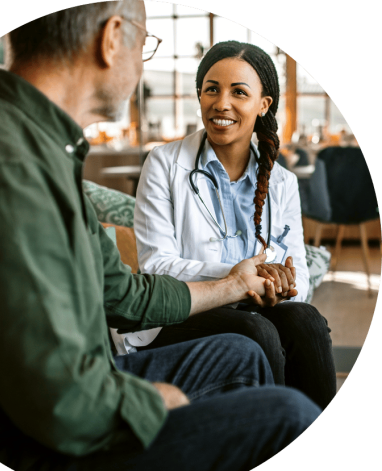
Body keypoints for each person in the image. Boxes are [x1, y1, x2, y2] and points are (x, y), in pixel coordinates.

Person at [0, 3, 321, 471]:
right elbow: (57, 404)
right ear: (113, 38)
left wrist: (235, 283)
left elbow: (124, 295)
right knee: (288, 415)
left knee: (241, 352)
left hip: (72, 387)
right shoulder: (4, 166)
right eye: (145, 46)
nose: (140, 66)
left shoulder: (40, 148)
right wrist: (152, 402)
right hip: (26, 445)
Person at [134, 40, 336, 411]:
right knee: (256, 330)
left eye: (238, 92)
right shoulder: (163, 163)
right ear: (200, 95)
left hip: (255, 307)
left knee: (305, 319)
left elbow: (300, 276)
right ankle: (268, 438)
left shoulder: (282, 182)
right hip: (182, 314)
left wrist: (280, 284)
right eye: (211, 89)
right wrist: (237, 279)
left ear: (263, 105)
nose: (221, 103)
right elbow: (155, 267)